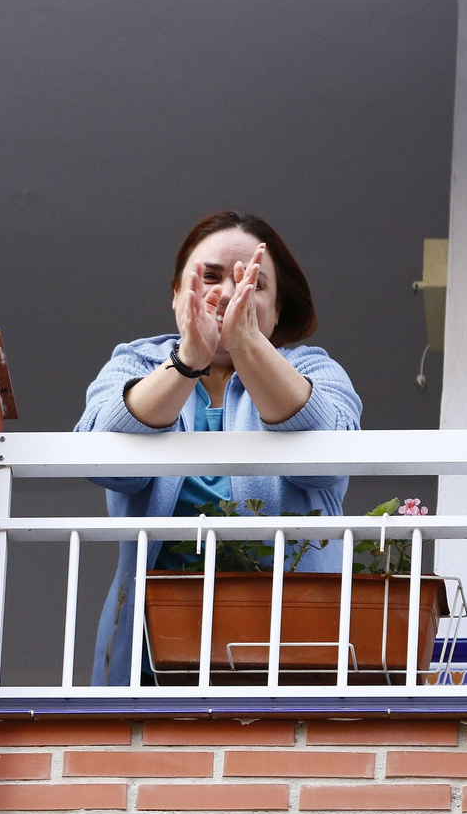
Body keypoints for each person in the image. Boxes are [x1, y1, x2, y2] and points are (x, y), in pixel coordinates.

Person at [77, 210, 362, 686]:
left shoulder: (315, 370)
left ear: (276, 310)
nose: (229, 294)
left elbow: (327, 460)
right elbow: (106, 460)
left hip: (293, 656)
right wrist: (189, 359)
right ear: (176, 293)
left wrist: (248, 347)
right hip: (151, 661)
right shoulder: (136, 362)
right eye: (210, 277)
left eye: (252, 284)